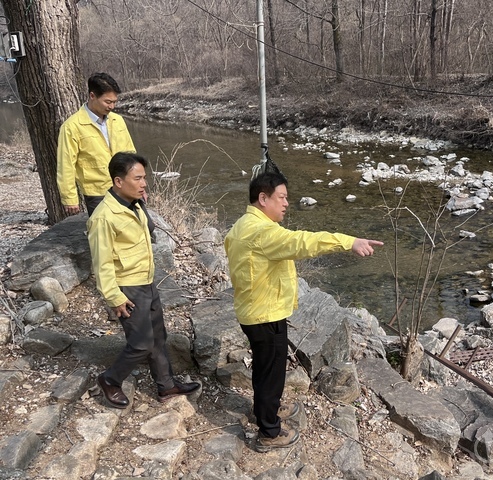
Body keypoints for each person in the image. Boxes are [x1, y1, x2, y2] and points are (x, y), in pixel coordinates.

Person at [224, 169, 383, 452]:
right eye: (282, 197)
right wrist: (349, 241)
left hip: (254, 309)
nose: (287, 203)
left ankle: (264, 410)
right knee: (271, 372)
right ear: (263, 198)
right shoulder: (263, 232)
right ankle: (269, 432)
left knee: (265, 367)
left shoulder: (242, 225)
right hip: (265, 314)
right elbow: (303, 242)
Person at [87, 152, 200, 408]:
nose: (144, 183)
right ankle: (110, 380)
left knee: (158, 336)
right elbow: (101, 263)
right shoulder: (104, 217)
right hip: (127, 287)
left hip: (147, 280)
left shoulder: (134, 204)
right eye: (137, 179)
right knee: (141, 344)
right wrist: (114, 297)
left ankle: (166, 385)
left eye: (144, 178)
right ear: (118, 181)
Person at [57, 73, 136, 216]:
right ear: (92, 96)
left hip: (125, 188)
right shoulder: (72, 127)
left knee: (142, 225)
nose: (112, 106)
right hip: (97, 193)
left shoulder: (117, 121)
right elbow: (66, 165)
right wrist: (69, 198)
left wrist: (138, 184)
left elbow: (131, 155)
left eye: (114, 102)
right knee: (105, 228)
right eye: (108, 102)